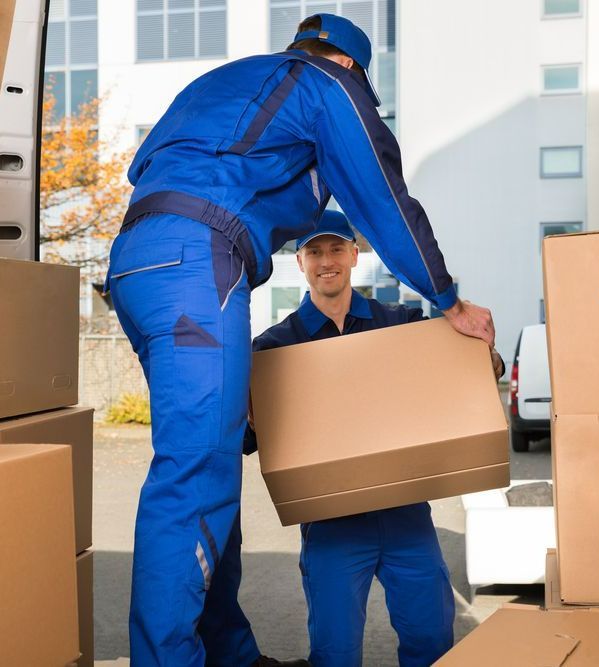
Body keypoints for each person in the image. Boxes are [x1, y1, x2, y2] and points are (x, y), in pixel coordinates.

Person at [106, 11, 496, 667]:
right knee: (194, 475)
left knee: (209, 459)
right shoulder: (325, 84)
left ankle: (228, 652)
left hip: (138, 264)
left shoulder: (230, 84)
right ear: (350, 67)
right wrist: (446, 297)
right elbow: (382, 193)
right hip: (198, 259)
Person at [246, 210, 504, 666]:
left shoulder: (400, 324)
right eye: (314, 252)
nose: (327, 261)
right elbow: (249, 439)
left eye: (336, 249)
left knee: (431, 641)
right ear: (300, 261)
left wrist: (489, 359)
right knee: (335, 653)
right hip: (332, 526)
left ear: (354, 254)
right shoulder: (274, 349)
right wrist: (245, 413)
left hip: (407, 516)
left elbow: (458, 372)